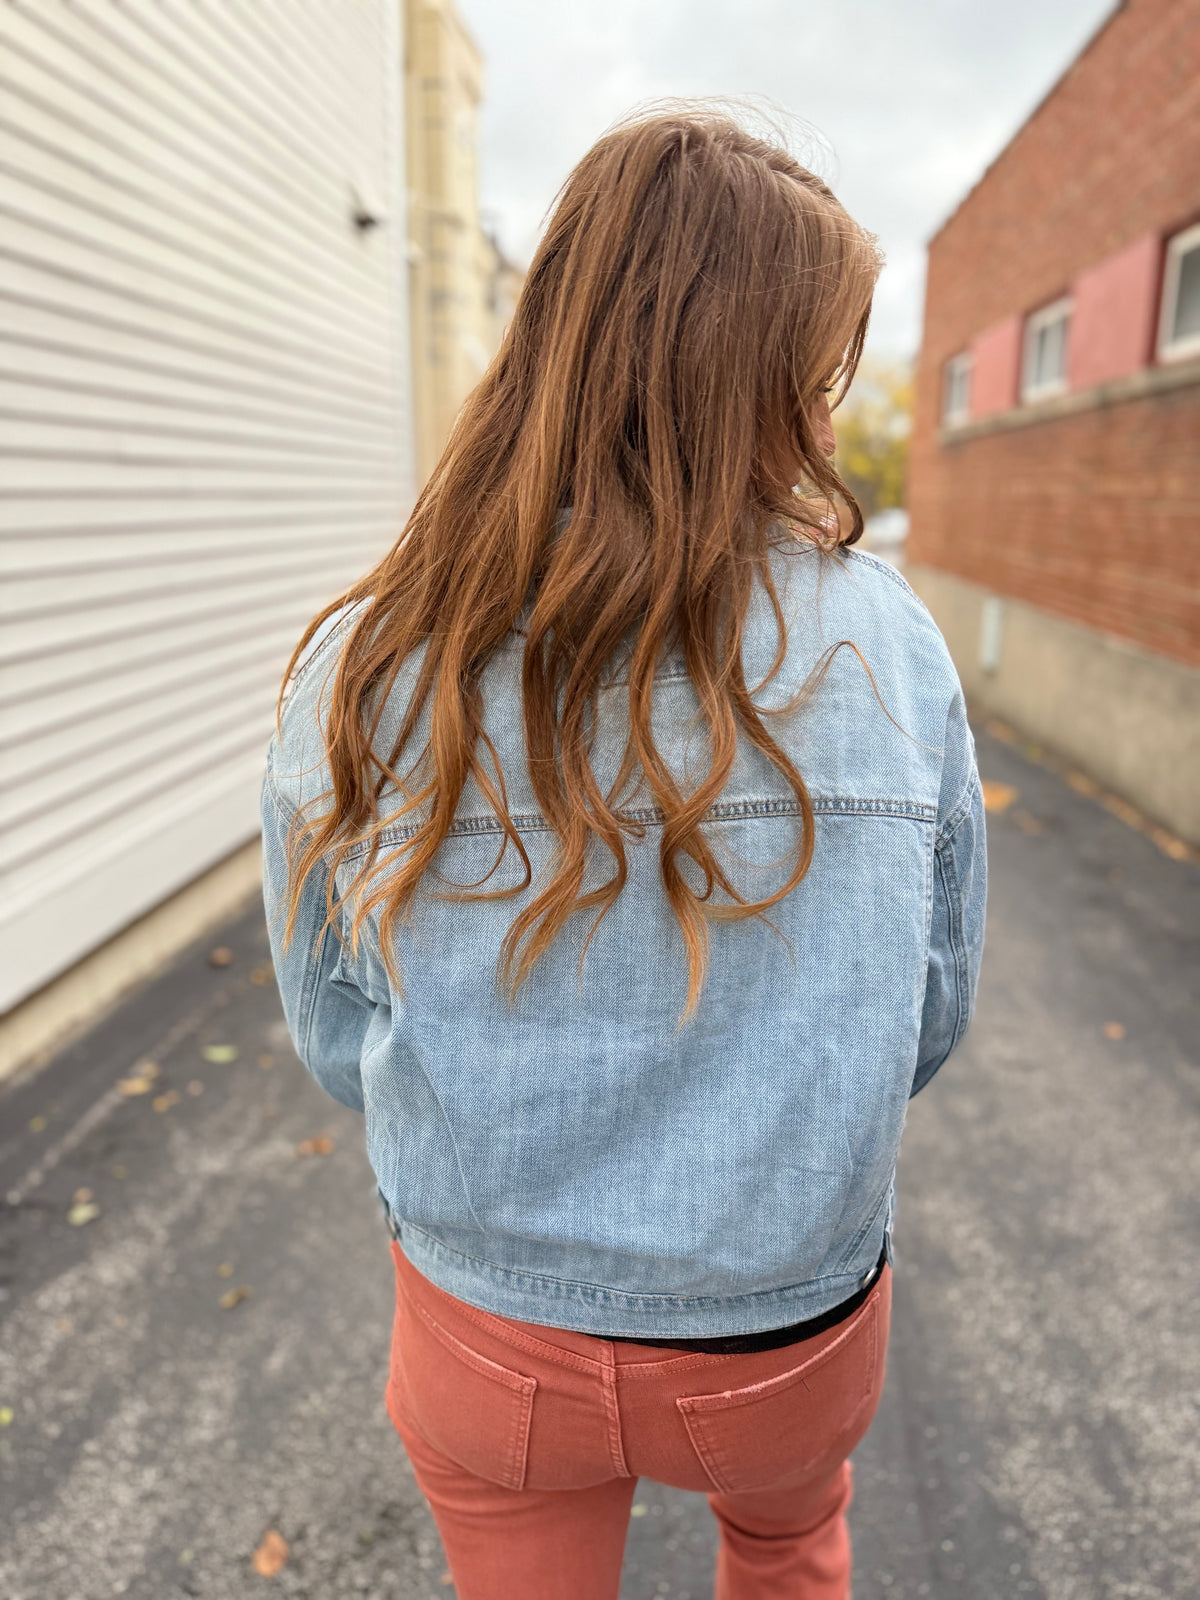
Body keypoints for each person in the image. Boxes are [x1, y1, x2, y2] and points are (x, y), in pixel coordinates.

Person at [262, 105, 985, 1600]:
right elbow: (928, 1014)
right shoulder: (892, 648)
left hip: (484, 1328)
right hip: (783, 1332)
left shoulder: (375, 657)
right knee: (791, 1559)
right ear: (778, 372)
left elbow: (336, 1030)